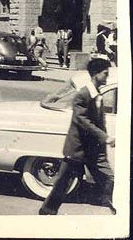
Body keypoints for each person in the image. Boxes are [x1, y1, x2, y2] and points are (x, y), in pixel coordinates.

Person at [39, 57, 115, 215]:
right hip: (78, 149)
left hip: (94, 151)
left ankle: (118, 209)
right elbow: (82, 121)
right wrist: (105, 137)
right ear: (95, 74)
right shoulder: (83, 95)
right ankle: (47, 212)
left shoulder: (97, 93)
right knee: (63, 183)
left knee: (109, 180)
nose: (107, 77)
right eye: (105, 74)